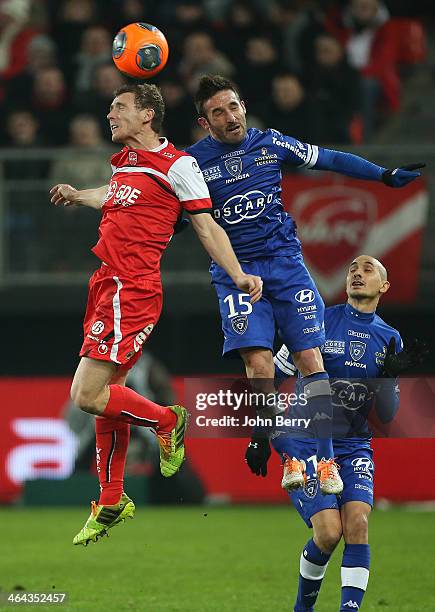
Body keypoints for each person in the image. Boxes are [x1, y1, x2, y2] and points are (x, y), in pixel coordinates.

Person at [186, 74, 424, 495]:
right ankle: (272, 443)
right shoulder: (189, 164)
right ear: (205, 123)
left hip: (286, 266)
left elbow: (329, 158)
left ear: (243, 106)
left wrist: (383, 175)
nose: (230, 117)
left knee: (311, 359)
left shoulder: (270, 143)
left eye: (234, 106)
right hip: (236, 274)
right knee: (259, 367)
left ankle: (327, 461)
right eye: (218, 112)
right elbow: (152, 204)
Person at [49, 82, 262, 546]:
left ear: (147, 115)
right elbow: (114, 196)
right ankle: (110, 499)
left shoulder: (179, 165)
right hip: (106, 283)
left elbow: (205, 225)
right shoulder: (127, 163)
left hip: (133, 288)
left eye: (119, 108)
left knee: (86, 396)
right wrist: (76, 194)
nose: (110, 115)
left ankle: (169, 422)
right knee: (110, 394)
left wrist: (239, 273)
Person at [246, 255, 426, 612]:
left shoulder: (389, 338)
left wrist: (388, 378)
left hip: (354, 444)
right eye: (352, 269)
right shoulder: (317, 322)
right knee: (329, 533)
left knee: (357, 523)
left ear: (384, 286)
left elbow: (387, 416)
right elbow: (275, 376)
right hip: (306, 440)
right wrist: (259, 434)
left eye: (368, 269)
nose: (358, 273)